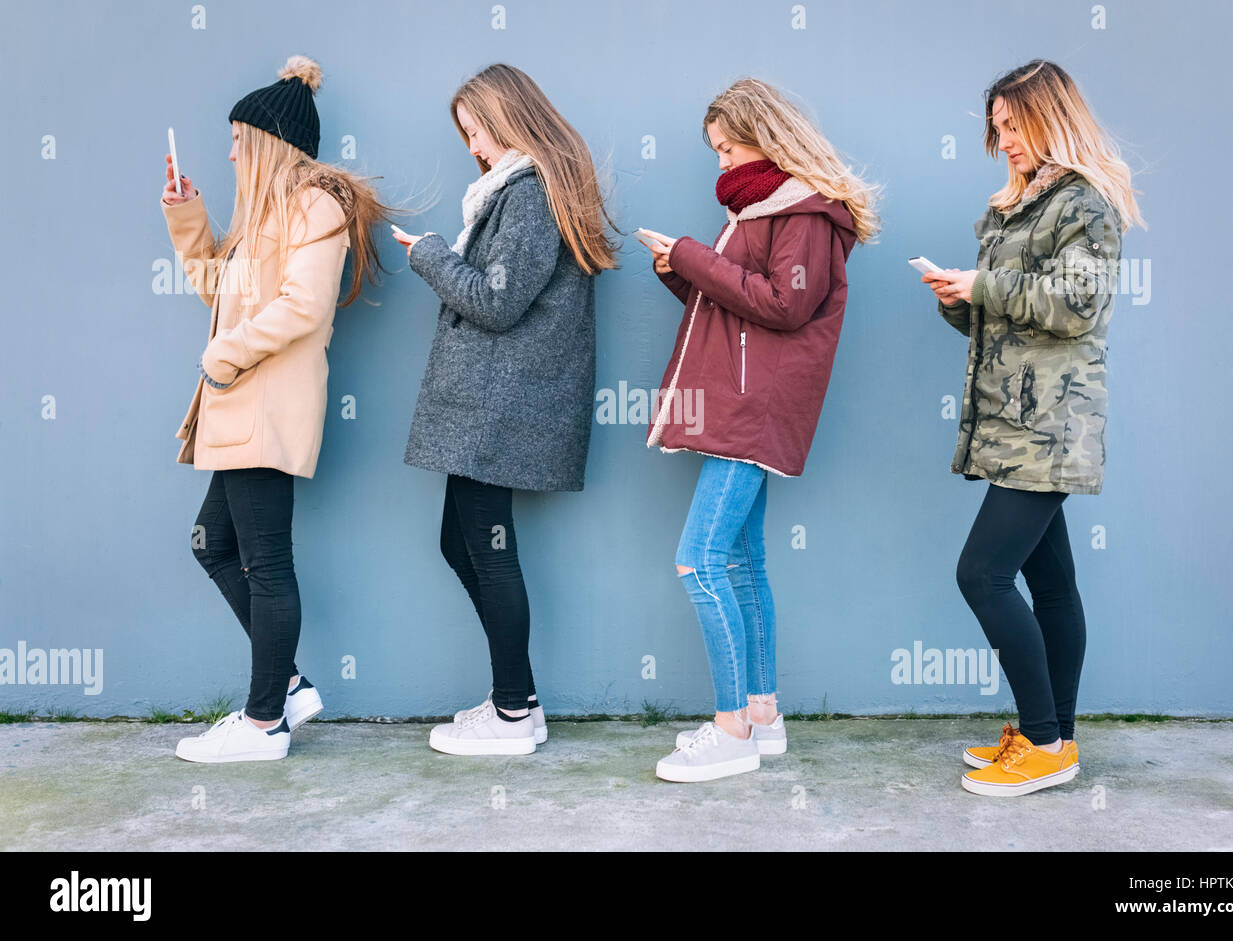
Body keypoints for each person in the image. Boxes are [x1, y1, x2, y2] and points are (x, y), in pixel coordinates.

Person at [639, 78, 879, 782]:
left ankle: (732, 727)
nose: (719, 164)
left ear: (765, 137)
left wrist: (690, 255)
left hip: (756, 409)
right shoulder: (760, 207)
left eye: (726, 147)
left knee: (699, 560)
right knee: (742, 562)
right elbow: (738, 304)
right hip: (744, 403)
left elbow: (783, 305)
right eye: (715, 151)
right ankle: (762, 714)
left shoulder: (802, 211)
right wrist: (678, 272)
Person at [162, 56, 394, 763]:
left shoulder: (314, 204)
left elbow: (306, 306)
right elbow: (218, 293)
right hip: (238, 408)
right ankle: (286, 686)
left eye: (238, 138)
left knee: (267, 563)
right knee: (213, 542)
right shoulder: (260, 211)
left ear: (268, 139)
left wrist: (222, 358)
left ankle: (265, 722)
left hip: (262, 407)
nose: (230, 150)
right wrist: (187, 216)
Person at [921, 59, 1144, 797]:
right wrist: (961, 299)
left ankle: (1045, 743)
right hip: (1017, 421)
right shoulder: (1012, 206)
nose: (1004, 141)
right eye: (996, 130)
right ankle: (1056, 734)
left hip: (1052, 425)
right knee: (1052, 583)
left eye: (1014, 126)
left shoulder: (1085, 203)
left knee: (980, 574)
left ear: (1052, 118)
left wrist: (983, 284)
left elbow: (1077, 303)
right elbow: (1012, 315)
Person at [394, 63, 617, 756]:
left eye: (476, 131)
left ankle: (515, 711)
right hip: (494, 404)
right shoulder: (530, 188)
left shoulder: (527, 193)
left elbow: (496, 298)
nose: (473, 148)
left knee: (487, 549)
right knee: (464, 542)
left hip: (499, 406)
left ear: (506, 118)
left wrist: (428, 254)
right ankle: (515, 700)